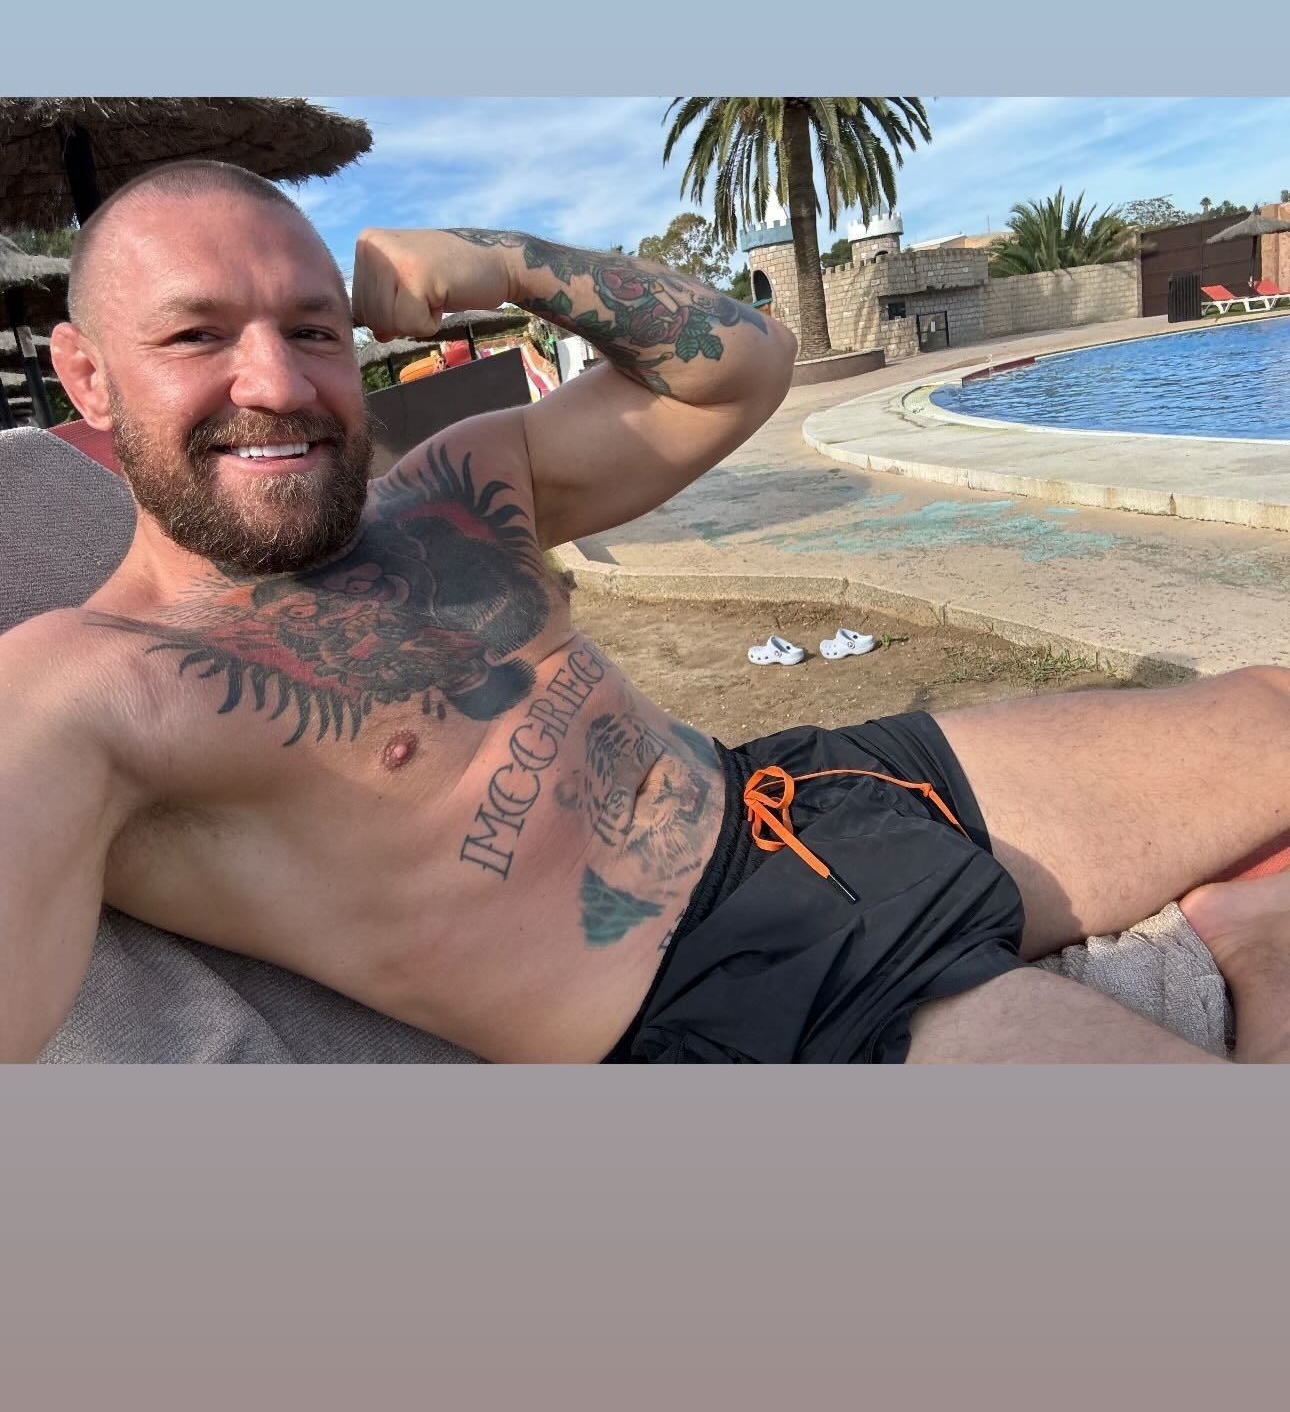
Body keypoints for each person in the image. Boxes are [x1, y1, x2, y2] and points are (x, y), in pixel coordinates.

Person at [2, 158, 1287, 1066]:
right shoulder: (94, 686)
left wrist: (501, 262)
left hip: (801, 792)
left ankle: (1248, 935)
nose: (278, 383)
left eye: (313, 328)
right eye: (196, 337)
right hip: (740, 987)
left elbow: (741, 366)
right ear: (87, 378)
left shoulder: (453, 487)